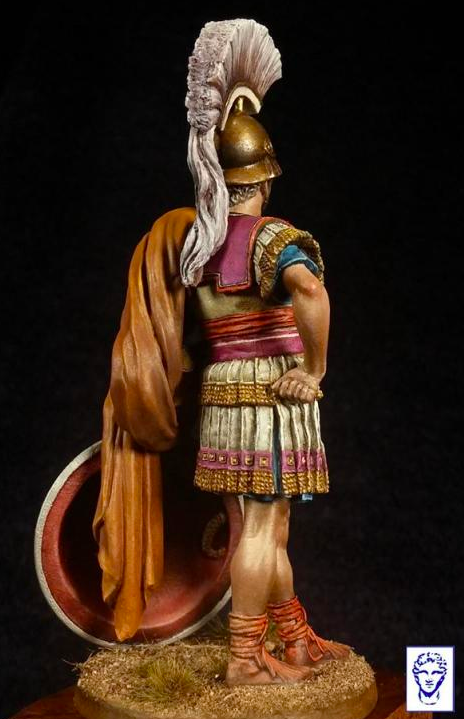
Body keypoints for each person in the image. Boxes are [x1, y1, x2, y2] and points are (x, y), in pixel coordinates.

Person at [92, 18, 350, 687]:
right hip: (270, 393)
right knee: (262, 531)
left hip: (223, 395)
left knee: (268, 526)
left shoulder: (199, 244)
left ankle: (293, 636)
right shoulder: (270, 238)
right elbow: (311, 290)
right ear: (263, 179)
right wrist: (313, 369)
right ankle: (243, 658)